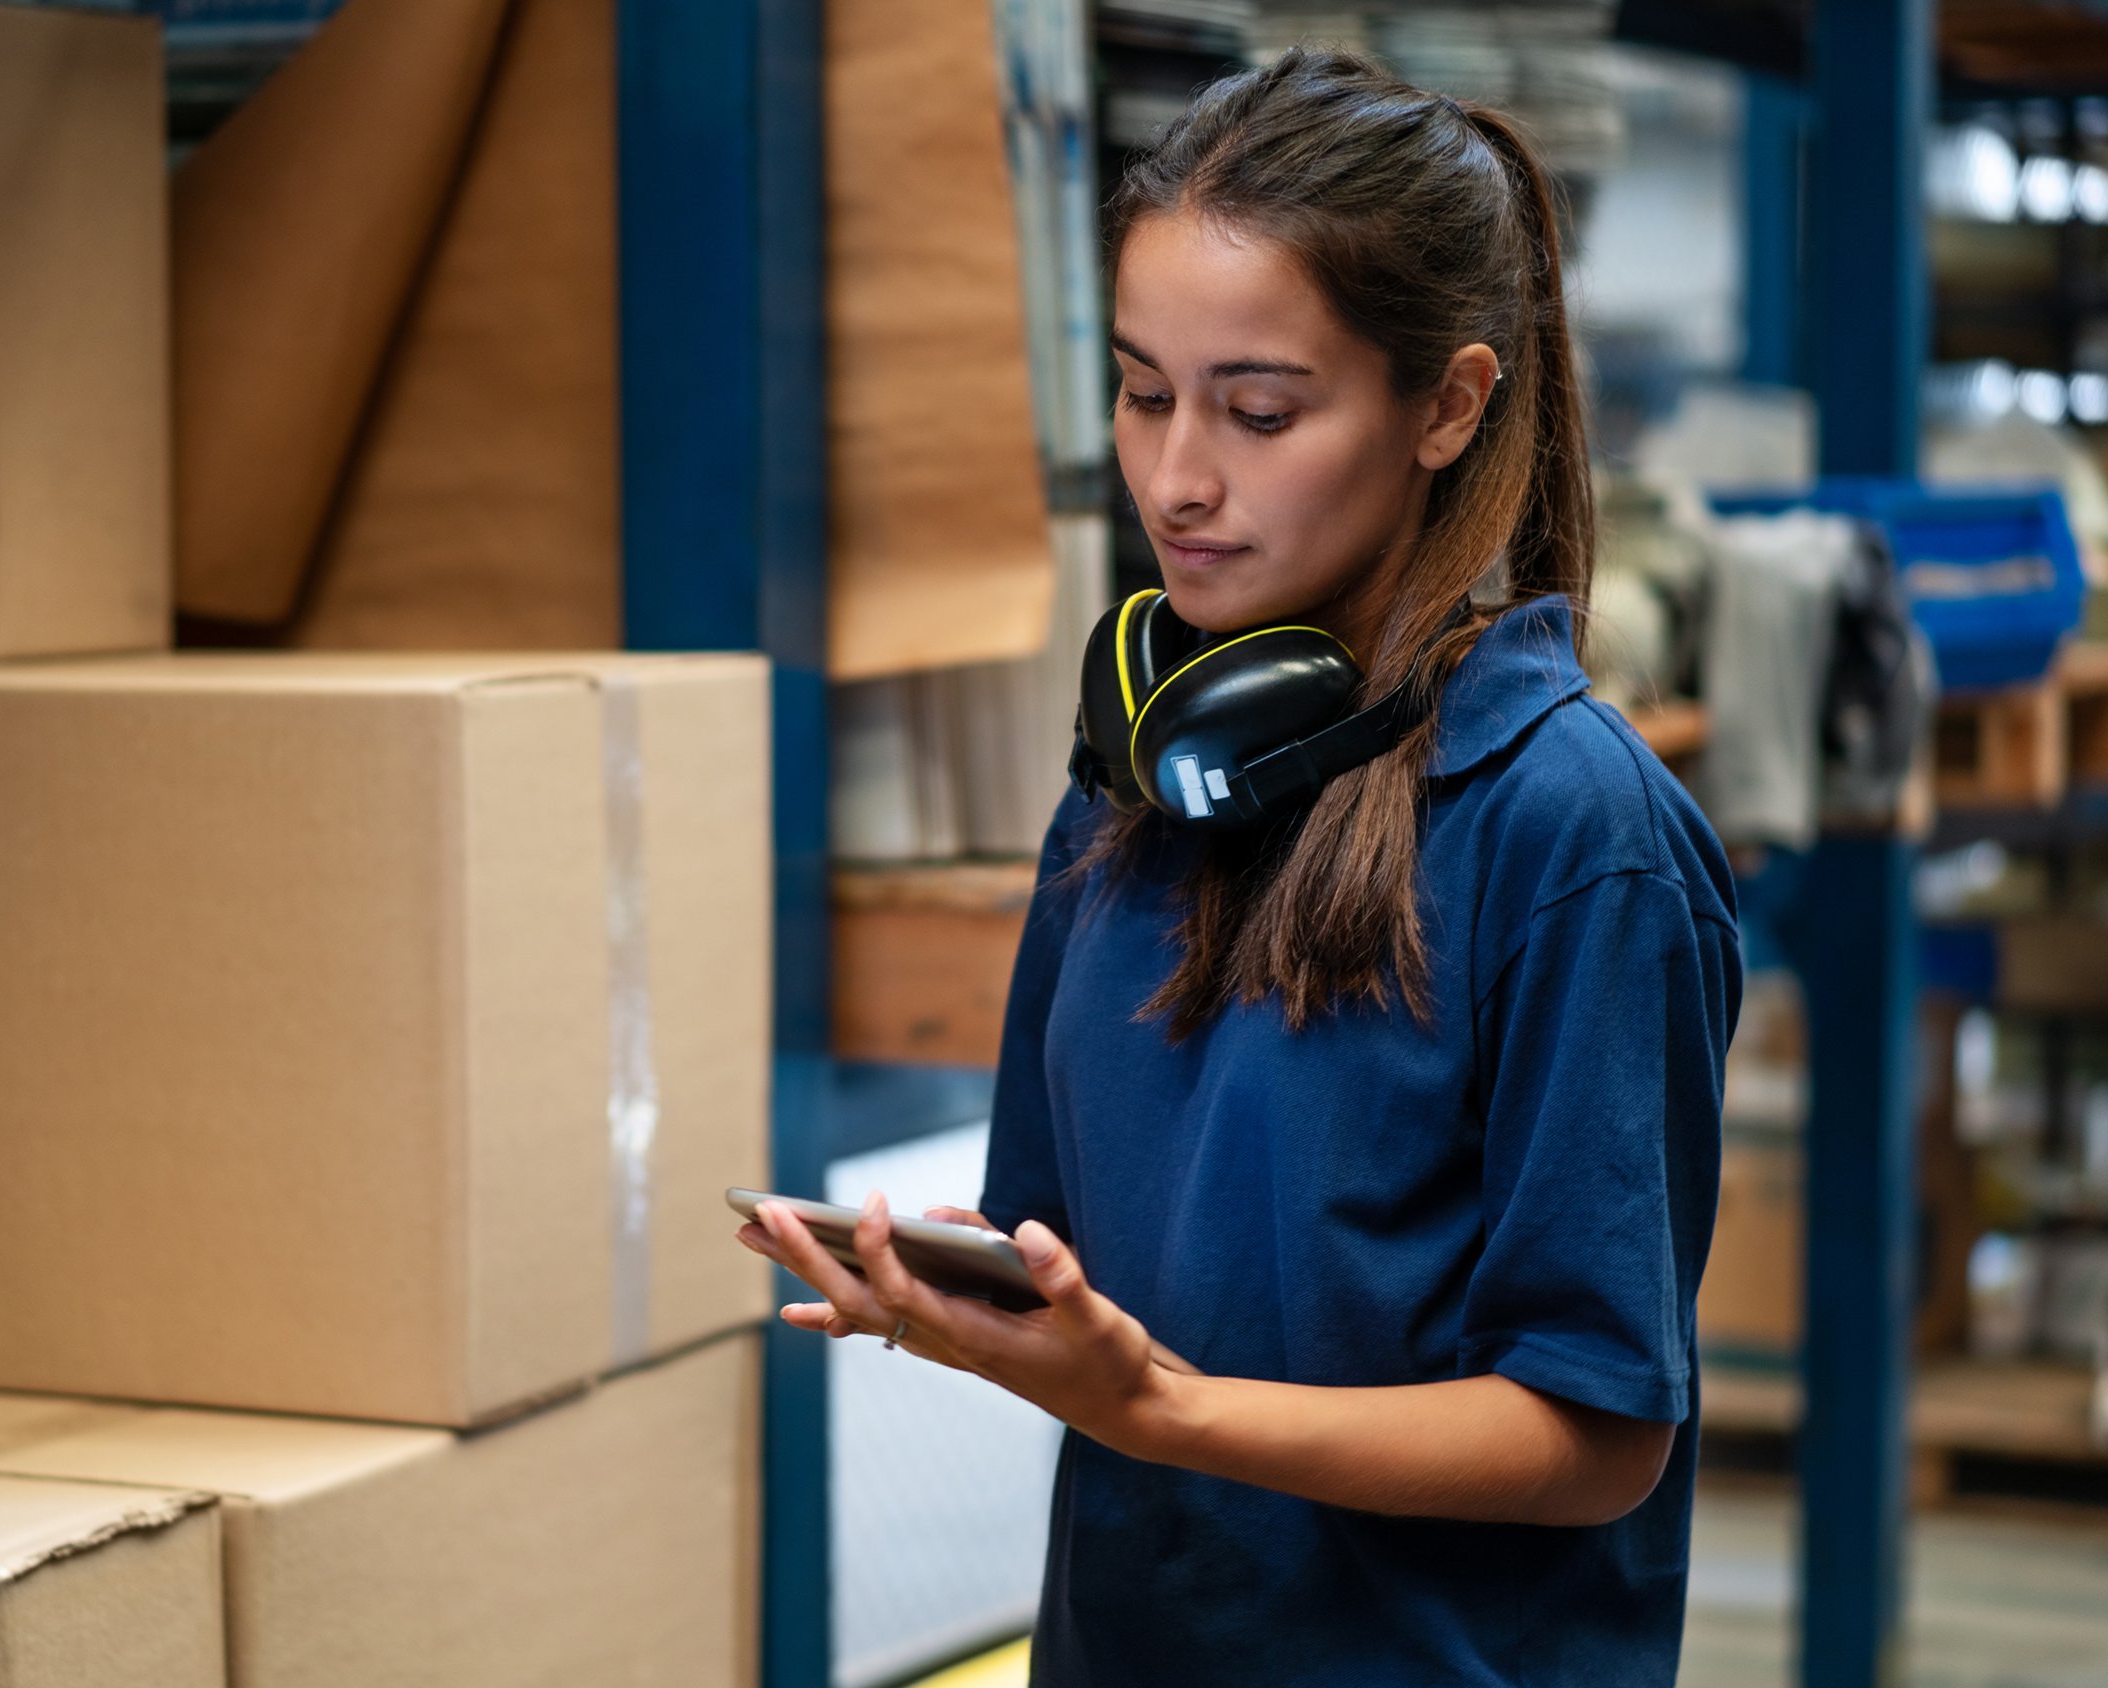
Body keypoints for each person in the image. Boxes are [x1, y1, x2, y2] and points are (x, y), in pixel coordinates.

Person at [739, 48, 1741, 1687]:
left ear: (1450, 404)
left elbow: (1594, 1433)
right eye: (1144, 393)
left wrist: (1162, 1409)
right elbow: (1070, 1262)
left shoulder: (1573, 836)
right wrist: (972, 1305)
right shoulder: (1130, 787)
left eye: (1259, 410)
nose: (1177, 480)